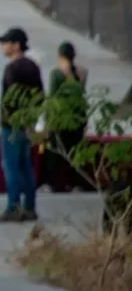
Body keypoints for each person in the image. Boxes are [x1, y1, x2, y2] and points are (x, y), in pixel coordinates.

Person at [0, 27, 45, 222]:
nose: (2, 46)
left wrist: (12, 120)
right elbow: (40, 96)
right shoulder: (33, 67)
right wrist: (31, 122)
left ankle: (13, 207)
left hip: (11, 126)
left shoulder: (12, 69)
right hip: (28, 124)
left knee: (11, 167)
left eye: (5, 43)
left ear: (16, 46)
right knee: (26, 166)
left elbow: (9, 101)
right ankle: (30, 207)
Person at [44, 41, 91, 192]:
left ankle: (53, 184)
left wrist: (47, 122)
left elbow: (52, 99)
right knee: (76, 152)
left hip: (59, 120)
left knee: (55, 152)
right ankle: (76, 184)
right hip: (77, 119)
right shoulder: (83, 72)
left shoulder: (56, 74)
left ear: (59, 56)